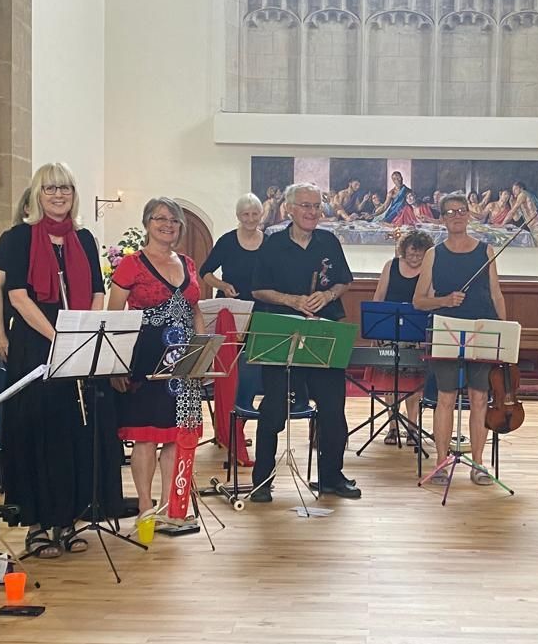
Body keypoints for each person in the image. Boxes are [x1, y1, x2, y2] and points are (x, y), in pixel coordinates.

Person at [0, 163, 116, 557]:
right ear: (37, 194)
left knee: (73, 431)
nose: (58, 195)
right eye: (50, 189)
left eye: (65, 188)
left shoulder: (85, 239)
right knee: (38, 432)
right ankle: (38, 525)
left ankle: (67, 519)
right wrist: (58, 337)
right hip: (35, 343)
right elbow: (17, 296)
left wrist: (84, 332)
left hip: (76, 342)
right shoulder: (18, 238)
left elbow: (97, 290)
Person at [247, 182, 358, 502]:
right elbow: (258, 289)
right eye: (306, 206)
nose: (312, 212)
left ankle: (331, 478)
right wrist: (293, 301)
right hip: (283, 332)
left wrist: (328, 295)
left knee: (333, 410)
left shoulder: (329, 241)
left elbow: (344, 281)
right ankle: (262, 480)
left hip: (324, 333)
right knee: (272, 410)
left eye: (317, 206)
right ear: (290, 209)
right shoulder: (272, 243)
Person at [110, 198, 205, 534]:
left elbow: (195, 310)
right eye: (160, 218)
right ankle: (145, 507)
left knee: (177, 436)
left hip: (184, 363)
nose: (168, 225)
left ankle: (169, 507)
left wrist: (201, 354)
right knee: (146, 437)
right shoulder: (131, 264)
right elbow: (115, 317)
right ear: (147, 223)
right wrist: (117, 365)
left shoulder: (188, 264)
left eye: (174, 220)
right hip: (146, 359)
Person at [414, 193, 508, 483]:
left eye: (461, 211)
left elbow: (496, 294)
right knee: (446, 397)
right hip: (447, 330)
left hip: (482, 328)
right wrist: (444, 301)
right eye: (450, 212)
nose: (456, 216)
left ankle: (478, 464)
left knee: (480, 398)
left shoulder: (486, 251)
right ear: (442, 219)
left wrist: (504, 332)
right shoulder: (434, 254)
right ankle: (441, 463)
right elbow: (419, 300)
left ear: (468, 215)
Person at [200, 193, 268, 465]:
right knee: (228, 372)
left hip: (260, 312)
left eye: (254, 214)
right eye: (245, 215)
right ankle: (225, 431)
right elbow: (205, 272)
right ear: (238, 216)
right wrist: (223, 285)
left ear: (261, 215)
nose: (250, 219)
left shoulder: (269, 242)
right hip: (230, 313)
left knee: (251, 373)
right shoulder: (227, 241)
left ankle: (238, 428)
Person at [371, 229, 436, 446]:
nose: (415, 258)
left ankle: (412, 428)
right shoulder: (391, 266)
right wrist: (375, 331)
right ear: (404, 251)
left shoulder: (430, 271)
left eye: (419, 255)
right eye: (411, 254)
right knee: (391, 382)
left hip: (416, 334)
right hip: (388, 331)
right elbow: (379, 297)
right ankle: (392, 427)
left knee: (413, 384)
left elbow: (431, 301)